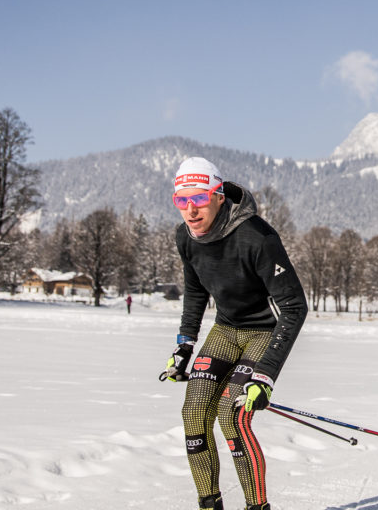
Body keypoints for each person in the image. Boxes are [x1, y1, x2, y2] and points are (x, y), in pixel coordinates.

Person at [157, 157, 309, 510]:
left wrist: (266, 376)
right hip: (226, 330)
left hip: (263, 332)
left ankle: (257, 506)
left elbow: (294, 307)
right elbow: (196, 292)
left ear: (219, 196)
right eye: (182, 200)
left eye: (199, 199)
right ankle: (210, 505)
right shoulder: (186, 236)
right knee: (193, 414)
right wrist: (185, 345)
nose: (191, 210)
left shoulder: (257, 236)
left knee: (231, 416)